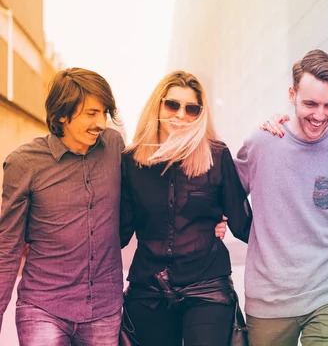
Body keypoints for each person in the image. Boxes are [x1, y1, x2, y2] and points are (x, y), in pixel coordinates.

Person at [234, 49, 328, 346]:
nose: (320, 115)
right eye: (310, 103)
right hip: (269, 298)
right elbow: (227, 196)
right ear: (292, 94)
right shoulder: (262, 143)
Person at [120, 71, 252, 346]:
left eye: (191, 109)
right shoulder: (132, 162)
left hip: (207, 285)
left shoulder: (216, 155)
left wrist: (304, 236)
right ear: (157, 105)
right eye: (172, 105)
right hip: (149, 288)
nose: (180, 115)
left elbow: (244, 224)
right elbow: (119, 232)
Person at [0, 68, 125, 345]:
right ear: (62, 116)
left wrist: (211, 213)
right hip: (43, 308)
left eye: (104, 113)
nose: (101, 124)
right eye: (91, 113)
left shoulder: (114, 146)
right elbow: (7, 247)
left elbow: (143, 195)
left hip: (104, 308)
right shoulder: (25, 163)